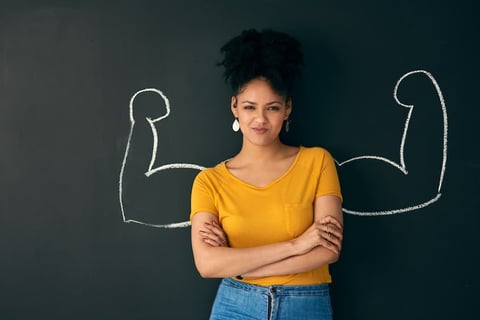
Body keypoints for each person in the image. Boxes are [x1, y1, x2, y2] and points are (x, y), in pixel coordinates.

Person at [190, 29, 343, 320]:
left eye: (272, 107)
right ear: (235, 107)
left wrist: (240, 267)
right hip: (234, 306)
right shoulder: (209, 182)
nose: (260, 119)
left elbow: (328, 250)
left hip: (305, 304)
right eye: (250, 107)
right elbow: (207, 264)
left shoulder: (317, 162)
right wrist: (297, 245)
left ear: (287, 108)